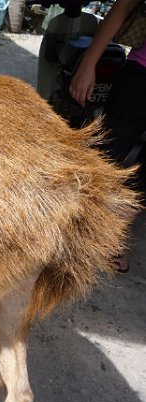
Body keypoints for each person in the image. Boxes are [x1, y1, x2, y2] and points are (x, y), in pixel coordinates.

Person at [70, 0, 146, 273]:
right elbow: (125, 5)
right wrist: (89, 62)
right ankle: (74, 230)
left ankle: (113, 237)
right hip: (141, 74)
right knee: (104, 154)